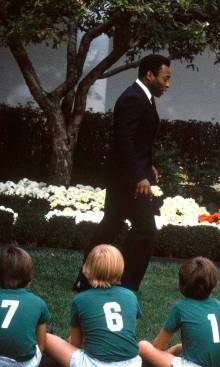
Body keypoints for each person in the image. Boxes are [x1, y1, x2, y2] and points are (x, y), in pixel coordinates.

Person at [73, 54, 171, 292]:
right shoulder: (132, 99)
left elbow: (139, 141)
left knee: (112, 225)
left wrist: (148, 166)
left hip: (129, 176)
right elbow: (124, 142)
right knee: (144, 228)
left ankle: (86, 278)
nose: (168, 84)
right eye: (165, 78)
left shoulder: (143, 98)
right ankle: (123, 281)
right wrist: (140, 176)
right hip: (126, 180)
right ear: (149, 75)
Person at [46, 244, 142, 367]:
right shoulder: (130, 296)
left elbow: (75, 343)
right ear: (120, 268)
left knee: (48, 337)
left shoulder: (81, 299)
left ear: (88, 268)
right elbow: (129, 332)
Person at [138, 257, 220, 367]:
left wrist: (158, 355)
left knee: (143, 346)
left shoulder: (181, 307)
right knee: (179, 347)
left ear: (182, 284)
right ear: (213, 282)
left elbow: (157, 346)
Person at [0, 246, 51, 367]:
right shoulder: (38, 302)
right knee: (46, 329)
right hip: (23, 366)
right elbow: (41, 346)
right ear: (29, 278)